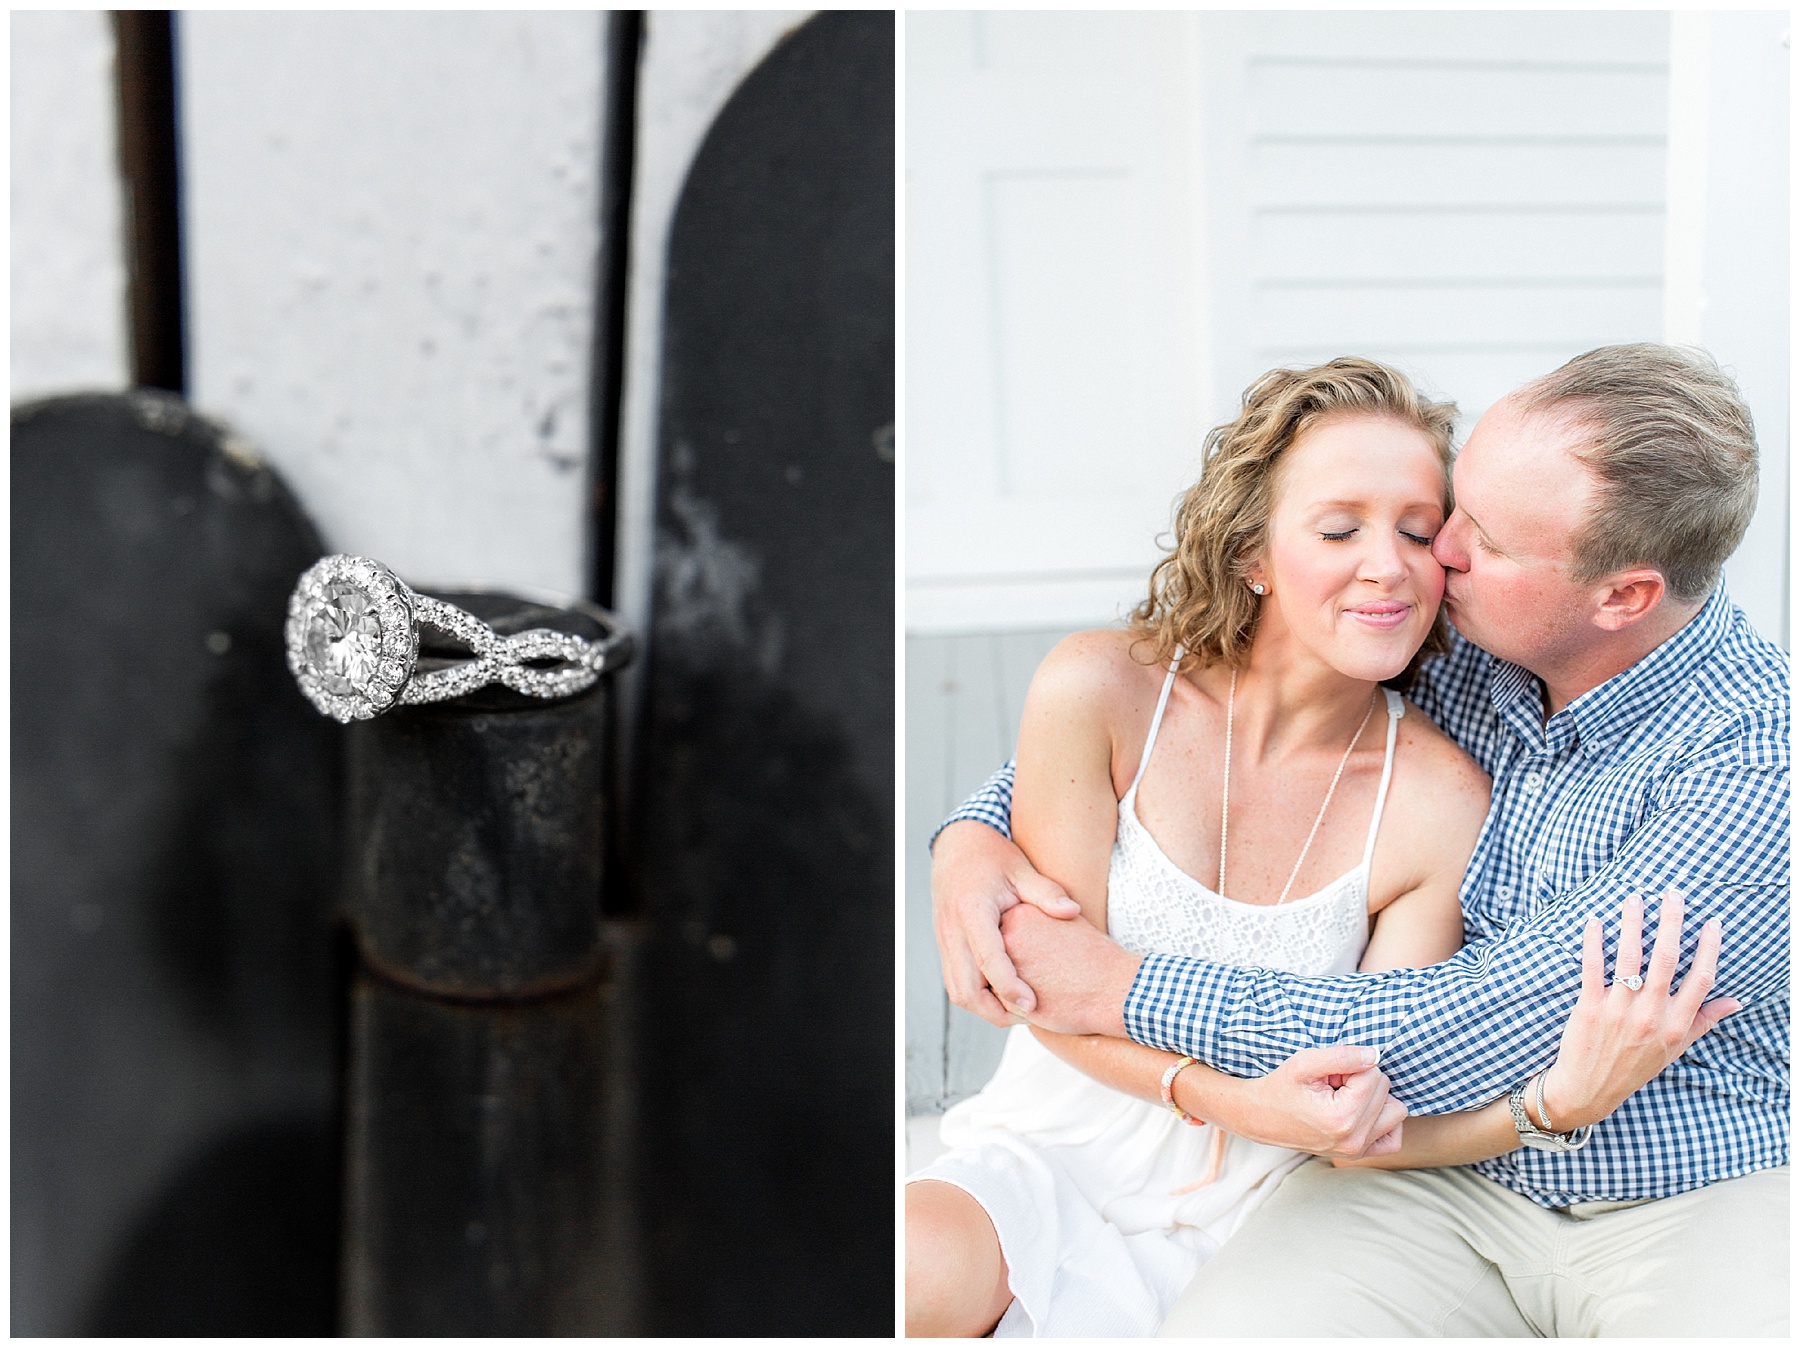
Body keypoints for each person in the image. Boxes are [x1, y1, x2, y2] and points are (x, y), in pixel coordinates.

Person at [932, 343, 1788, 1336]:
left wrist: (1109, 983)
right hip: (1436, 1182)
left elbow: (1454, 1033)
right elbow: (1210, 723)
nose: (1439, 553)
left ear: (1622, 598)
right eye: (1453, 510)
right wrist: (974, 833)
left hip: (1677, 1184)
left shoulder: (1757, 775)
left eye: (1485, 539)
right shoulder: (1472, 636)